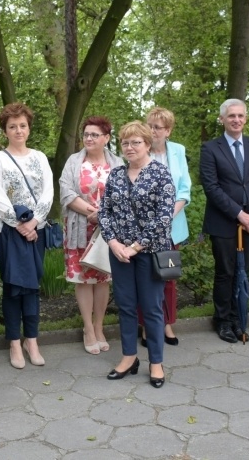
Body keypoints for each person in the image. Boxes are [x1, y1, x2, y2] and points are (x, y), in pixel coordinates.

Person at [100, 121, 174, 388]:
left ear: (147, 144)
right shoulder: (116, 175)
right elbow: (104, 212)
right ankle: (129, 357)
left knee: (152, 308)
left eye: (136, 142)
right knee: (126, 306)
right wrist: (113, 243)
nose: (129, 147)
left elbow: (164, 218)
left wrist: (136, 246)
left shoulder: (160, 174)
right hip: (120, 253)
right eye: (125, 143)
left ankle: (156, 362)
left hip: (149, 252)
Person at [0, 103, 53, 369]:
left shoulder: (39, 157)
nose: (18, 130)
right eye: (12, 126)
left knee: (32, 286)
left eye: (22, 125)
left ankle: (32, 340)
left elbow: (48, 192)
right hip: (9, 233)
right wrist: (19, 225)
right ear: (5, 130)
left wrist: (35, 222)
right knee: (13, 287)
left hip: (36, 231)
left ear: (29, 128)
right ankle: (14, 341)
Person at [200, 99, 249, 343]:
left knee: (243, 272)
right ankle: (223, 321)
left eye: (240, 115)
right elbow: (211, 187)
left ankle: (239, 318)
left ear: (246, 118)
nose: (236, 120)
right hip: (224, 222)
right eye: (231, 116)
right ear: (222, 119)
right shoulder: (211, 148)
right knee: (225, 273)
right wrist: (239, 214)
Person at [59, 116, 123, 354]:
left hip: (108, 230)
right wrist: (91, 212)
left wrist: (104, 216)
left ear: (106, 138)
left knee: (103, 277)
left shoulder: (117, 163)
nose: (89, 138)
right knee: (83, 280)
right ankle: (87, 328)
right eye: (86, 134)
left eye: (94, 135)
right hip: (79, 227)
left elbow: (124, 193)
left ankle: (99, 327)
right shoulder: (74, 161)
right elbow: (65, 190)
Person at [141, 107, 191, 347]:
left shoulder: (178, 151)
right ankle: (145, 325)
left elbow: (184, 189)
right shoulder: (140, 151)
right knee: (145, 276)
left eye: (157, 127)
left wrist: (167, 216)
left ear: (168, 131)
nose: (152, 131)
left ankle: (167, 323)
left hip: (172, 227)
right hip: (144, 228)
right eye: (149, 126)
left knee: (168, 275)